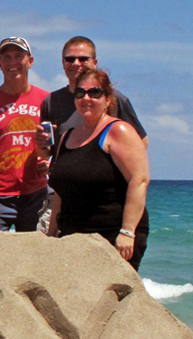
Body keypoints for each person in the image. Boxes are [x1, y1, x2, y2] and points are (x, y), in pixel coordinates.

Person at [46, 67, 150, 267]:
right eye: (80, 93)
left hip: (113, 236)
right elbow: (61, 191)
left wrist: (127, 232)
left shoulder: (119, 131)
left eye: (94, 92)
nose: (86, 98)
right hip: (73, 236)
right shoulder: (67, 136)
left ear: (108, 100)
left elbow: (139, 180)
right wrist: (51, 234)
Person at [0, 36, 51, 232]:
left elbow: (53, 148)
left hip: (36, 195)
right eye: (7, 57)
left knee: (36, 258)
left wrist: (47, 161)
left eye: (18, 56)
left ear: (30, 61)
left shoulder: (46, 100)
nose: (13, 62)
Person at [41, 37, 148, 143]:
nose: (76, 63)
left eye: (83, 59)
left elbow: (141, 141)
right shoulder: (51, 102)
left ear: (94, 62)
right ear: (63, 63)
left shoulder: (114, 98)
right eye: (70, 59)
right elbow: (46, 150)